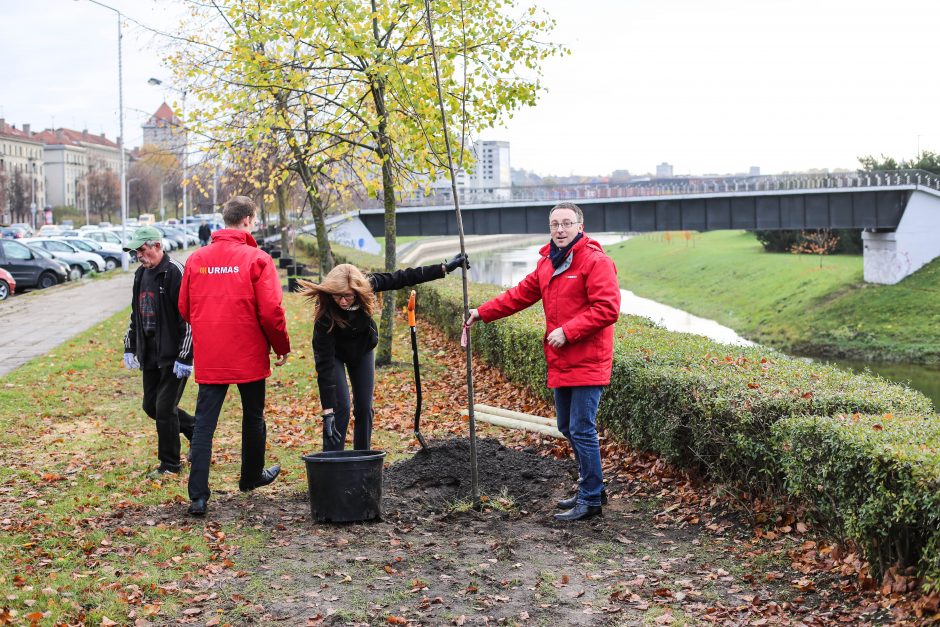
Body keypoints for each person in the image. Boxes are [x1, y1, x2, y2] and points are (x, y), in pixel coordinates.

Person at [466, 202, 620, 522]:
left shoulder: (595, 261)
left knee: (581, 428)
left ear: (580, 226)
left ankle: (591, 498)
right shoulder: (548, 263)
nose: (560, 230)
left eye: (566, 223)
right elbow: (519, 295)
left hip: (588, 359)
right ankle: (592, 487)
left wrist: (568, 331)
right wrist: (482, 313)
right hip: (562, 360)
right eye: (554, 224)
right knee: (567, 426)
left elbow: (608, 308)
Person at [179, 196, 291, 517]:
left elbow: (185, 308)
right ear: (248, 220)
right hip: (249, 355)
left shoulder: (197, 259)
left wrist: (209, 327)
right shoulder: (257, 259)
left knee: (203, 426)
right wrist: (280, 346)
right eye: (254, 220)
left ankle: (198, 496)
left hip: (212, 356)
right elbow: (271, 312)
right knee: (253, 417)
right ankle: (251, 476)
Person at [298, 255, 467, 451]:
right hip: (334, 355)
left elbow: (402, 278)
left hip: (362, 350)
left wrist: (443, 269)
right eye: (338, 296)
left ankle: (363, 458)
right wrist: (327, 413)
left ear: (358, 291)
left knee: (364, 407)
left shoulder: (368, 286)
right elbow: (324, 366)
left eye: (348, 296)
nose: (343, 301)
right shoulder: (325, 314)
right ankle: (333, 462)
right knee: (340, 408)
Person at [122, 225, 195, 479]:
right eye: (135, 253)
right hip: (150, 353)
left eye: (142, 250)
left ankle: (170, 464)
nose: (139, 256)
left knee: (164, 409)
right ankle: (194, 428)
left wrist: (185, 356)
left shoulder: (174, 272)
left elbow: (189, 317)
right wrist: (130, 345)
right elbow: (136, 314)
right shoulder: (141, 274)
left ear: (157, 246)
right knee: (150, 406)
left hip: (174, 355)